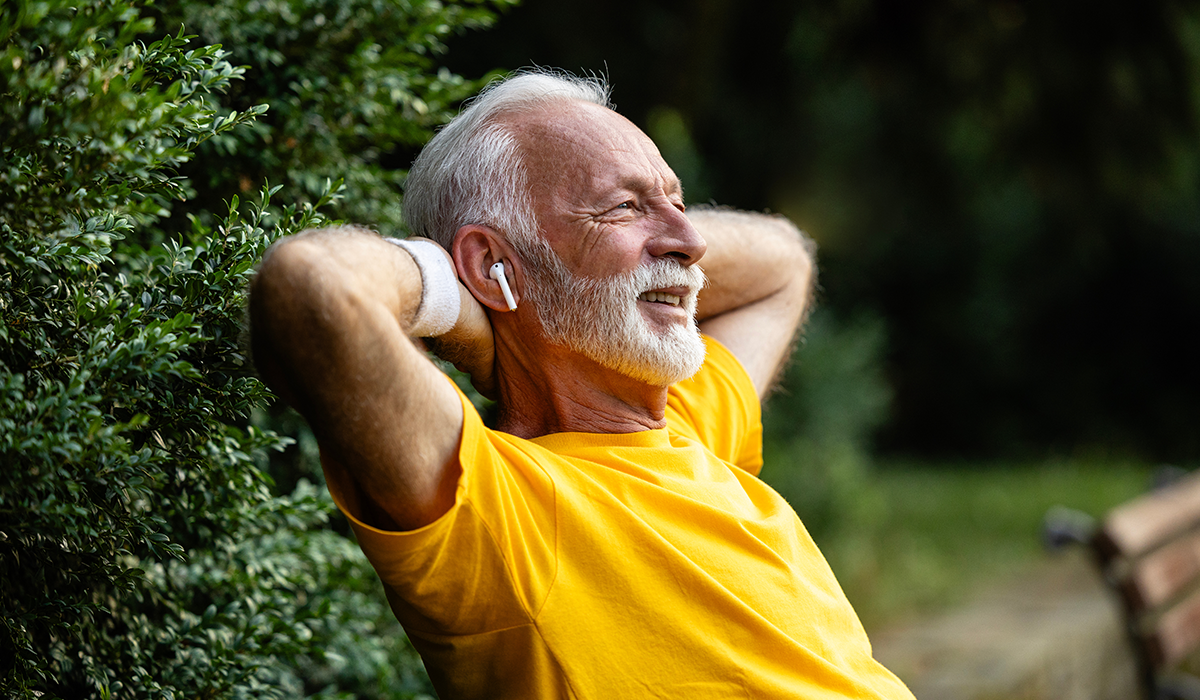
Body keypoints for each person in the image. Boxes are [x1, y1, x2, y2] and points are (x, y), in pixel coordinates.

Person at [249, 69, 914, 699]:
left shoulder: (689, 422)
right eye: (623, 207)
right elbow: (312, 289)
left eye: (676, 203)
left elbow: (782, 260)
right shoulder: (496, 511)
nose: (690, 240)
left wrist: (537, 290)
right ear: (490, 263)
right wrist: (462, 307)